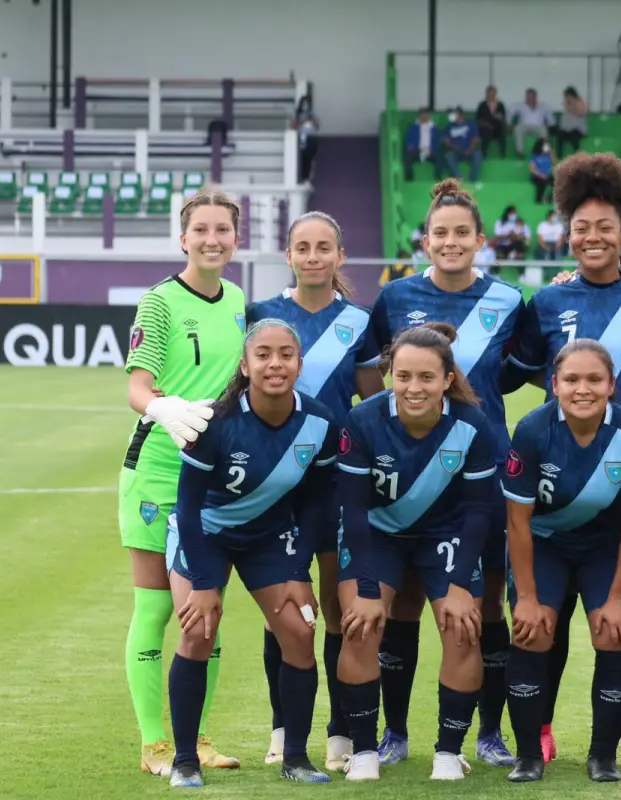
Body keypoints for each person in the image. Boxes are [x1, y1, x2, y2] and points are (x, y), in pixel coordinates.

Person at [507, 152, 621, 768]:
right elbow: (528, 374)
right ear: (567, 233)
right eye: (582, 228)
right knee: (547, 615)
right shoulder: (545, 303)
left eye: (605, 227)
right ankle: (544, 728)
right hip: (561, 475)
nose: (592, 237)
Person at [364, 179, 525, 769]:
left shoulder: (509, 300)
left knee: (482, 607)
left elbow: (530, 370)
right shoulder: (394, 297)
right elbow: (384, 374)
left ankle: (488, 734)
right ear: (424, 241)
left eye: (463, 233)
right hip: (406, 473)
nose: (451, 242)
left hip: (480, 474)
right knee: (404, 601)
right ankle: (397, 733)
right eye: (441, 233)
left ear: (480, 240)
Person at [165, 319, 340, 788]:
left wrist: (298, 568)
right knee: (198, 630)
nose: (275, 363)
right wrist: (204, 583)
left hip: (269, 538)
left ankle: (297, 758)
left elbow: (317, 503)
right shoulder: (216, 424)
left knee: (299, 633)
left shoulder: (320, 422)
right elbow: (186, 505)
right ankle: (185, 761)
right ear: (245, 365)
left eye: (285, 354)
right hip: (204, 533)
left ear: (299, 364)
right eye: (263, 354)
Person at [247, 211, 384, 771]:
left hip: (333, 480)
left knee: (334, 605)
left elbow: (372, 405)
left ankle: (340, 732)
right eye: (302, 246)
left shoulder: (358, 320)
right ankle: (283, 727)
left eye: (323, 246)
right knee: (281, 609)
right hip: (274, 482)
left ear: (339, 255)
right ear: (288, 253)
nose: (312, 256)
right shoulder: (261, 315)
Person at [336, 323, 498, 782]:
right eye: (403, 376)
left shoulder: (471, 425)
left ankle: (449, 752)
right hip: (377, 536)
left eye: (426, 377)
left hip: (445, 537)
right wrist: (367, 589)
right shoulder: (364, 420)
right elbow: (353, 507)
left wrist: (461, 583)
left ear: (447, 379)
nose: (413, 387)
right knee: (360, 627)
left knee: (463, 626)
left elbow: (477, 513)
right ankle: (365, 751)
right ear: (389, 374)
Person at [120, 191, 246, 777]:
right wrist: (163, 410)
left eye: (223, 229)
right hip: (157, 474)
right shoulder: (160, 302)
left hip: (212, 480)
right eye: (202, 229)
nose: (212, 238)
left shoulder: (239, 301)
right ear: (184, 237)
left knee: (206, 611)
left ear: (235, 239)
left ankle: (194, 737)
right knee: (154, 610)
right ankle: (154, 744)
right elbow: (137, 388)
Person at [501, 339, 621, 783]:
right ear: (554, 385)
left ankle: (603, 757)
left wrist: (616, 598)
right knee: (532, 632)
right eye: (571, 379)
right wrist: (528, 598)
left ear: (611, 385)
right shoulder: (533, 431)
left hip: (605, 548)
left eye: (594, 379)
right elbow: (517, 522)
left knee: (613, 632)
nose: (582, 389)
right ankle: (529, 756)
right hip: (544, 544)